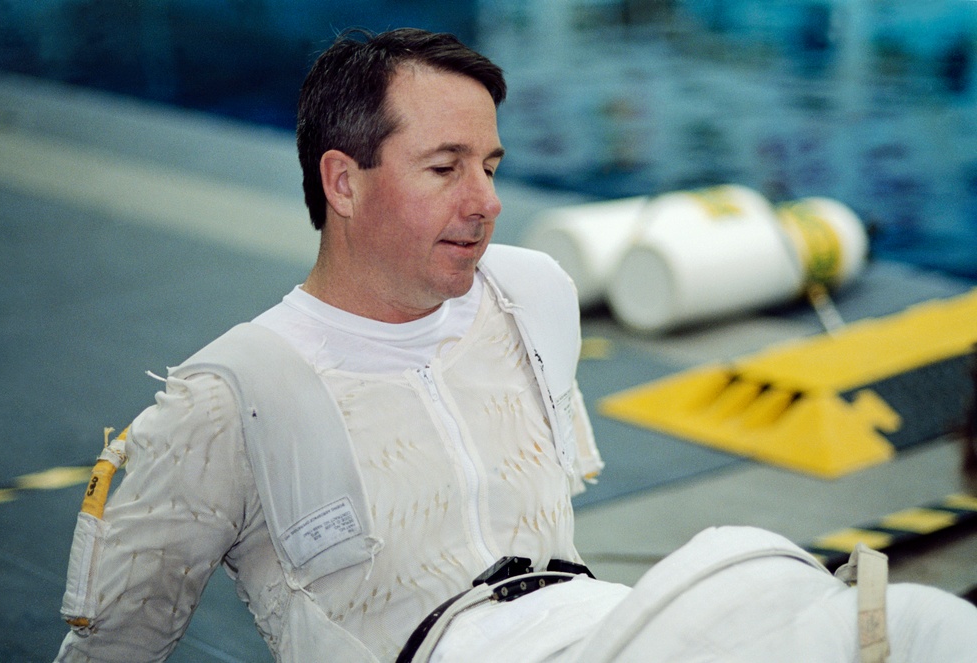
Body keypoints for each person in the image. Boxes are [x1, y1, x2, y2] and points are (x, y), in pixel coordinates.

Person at [56, 27, 977, 663]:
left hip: (621, 625)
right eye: (446, 167)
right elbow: (110, 646)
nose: (486, 200)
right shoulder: (231, 397)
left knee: (924, 625)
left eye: (491, 166)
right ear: (343, 182)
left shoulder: (532, 294)